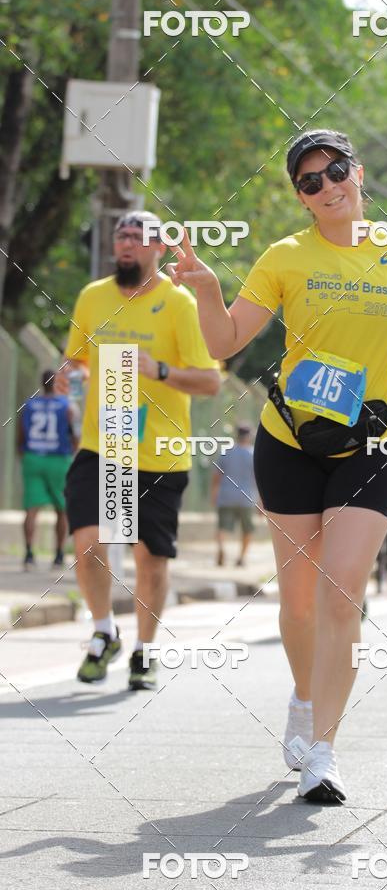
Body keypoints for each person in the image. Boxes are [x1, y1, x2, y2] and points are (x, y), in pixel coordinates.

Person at [166, 129, 387, 802]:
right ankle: (301, 694)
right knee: (297, 600)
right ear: (301, 198)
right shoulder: (285, 257)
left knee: (342, 588)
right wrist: (205, 290)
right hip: (289, 439)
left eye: (335, 171)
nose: (327, 187)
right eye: (310, 182)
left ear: (358, 172)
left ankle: (323, 749)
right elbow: (227, 339)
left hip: (376, 442)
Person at [57, 210, 221, 689]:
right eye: (120, 236)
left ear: (158, 248)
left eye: (138, 237)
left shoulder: (179, 303)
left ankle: (144, 650)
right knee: (89, 543)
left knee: (150, 559)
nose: (127, 244)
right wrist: (71, 372)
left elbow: (210, 381)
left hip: (160, 454)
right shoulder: (92, 298)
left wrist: (161, 372)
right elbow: (79, 356)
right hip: (104, 446)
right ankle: (104, 630)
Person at [18, 369, 77, 569]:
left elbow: (21, 434)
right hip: (58, 458)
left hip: (33, 456)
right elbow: (74, 433)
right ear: (57, 383)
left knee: (31, 509)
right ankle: (59, 554)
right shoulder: (66, 406)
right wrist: (74, 453)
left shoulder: (29, 405)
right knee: (61, 508)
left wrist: (23, 454)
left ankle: (28, 554)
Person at [211, 423, 258, 567]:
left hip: (226, 495)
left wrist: (214, 494)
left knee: (222, 527)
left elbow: (217, 476)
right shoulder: (254, 454)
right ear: (249, 436)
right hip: (247, 497)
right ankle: (242, 557)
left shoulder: (226, 452)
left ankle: (221, 549)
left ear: (236, 436)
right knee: (247, 529)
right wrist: (261, 501)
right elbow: (259, 479)